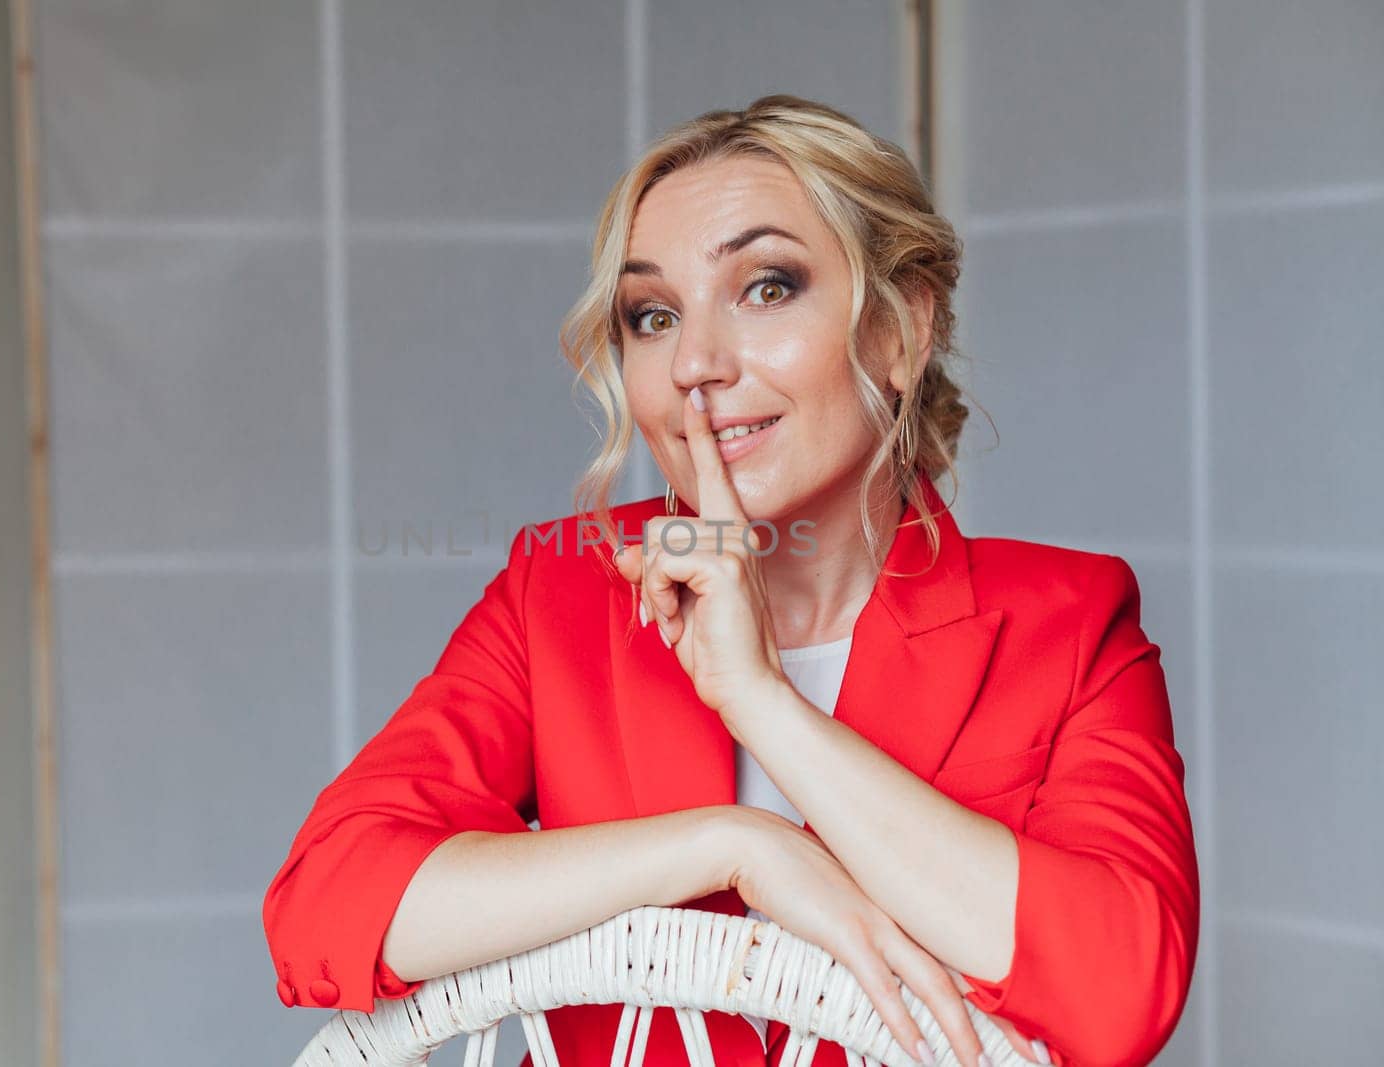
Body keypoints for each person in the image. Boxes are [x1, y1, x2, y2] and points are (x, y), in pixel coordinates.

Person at [263, 95, 1199, 1067]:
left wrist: (761, 701)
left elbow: (1121, 987)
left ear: (898, 331)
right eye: (654, 315)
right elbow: (325, 898)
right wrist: (732, 844)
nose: (695, 365)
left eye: (765, 287)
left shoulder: (1071, 620)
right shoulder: (563, 593)